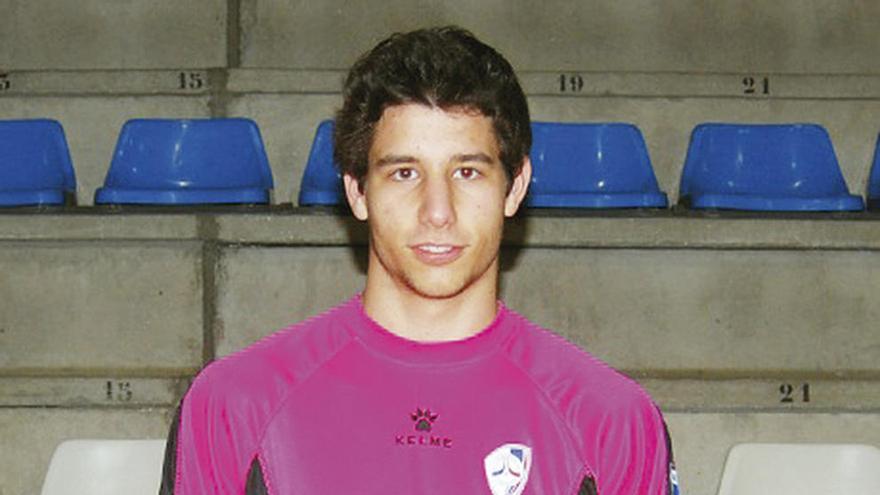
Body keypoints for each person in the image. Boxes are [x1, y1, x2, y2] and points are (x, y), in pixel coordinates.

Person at [160, 26, 680, 495]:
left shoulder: (611, 422)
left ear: (515, 186)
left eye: (468, 172)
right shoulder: (233, 406)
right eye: (404, 172)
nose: (438, 212)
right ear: (358, 191)